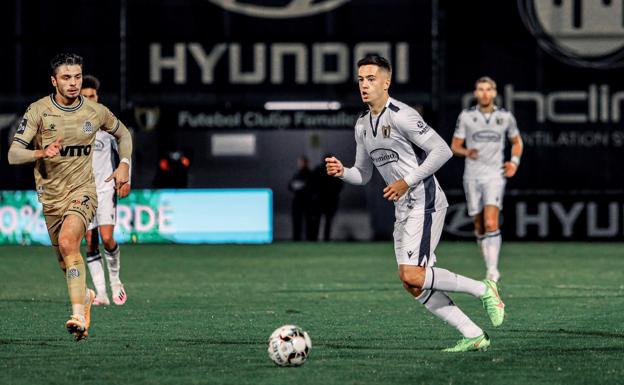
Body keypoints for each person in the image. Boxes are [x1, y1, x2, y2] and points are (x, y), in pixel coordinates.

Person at [325, 55, 505, 352]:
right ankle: (473, 333)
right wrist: (342, 172)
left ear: (387, 81)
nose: (364, 85)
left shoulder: (402, 115)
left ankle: (484, 289)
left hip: (425, 200)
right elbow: (363, 174)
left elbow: (442, 151)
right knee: (413, 284)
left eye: (371, 79)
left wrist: (406, 181)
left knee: (412, 274)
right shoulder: (361, 125)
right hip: (404, 208)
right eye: (360, 79)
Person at [8, 53, 133, 341]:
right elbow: (14, 154)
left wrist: (124, 164)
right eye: (66, 77)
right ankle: (87, 295)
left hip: (84, 192)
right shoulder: (38, 111)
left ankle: (78, 313)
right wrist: (40, 152)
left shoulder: (94, 112)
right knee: (67, 261)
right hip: (51, 197)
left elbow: (123, 134)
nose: (73, 82)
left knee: (69, 241)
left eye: (77, 76)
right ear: (54, 81)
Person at [451, 77, 523, 282]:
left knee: (491, 222)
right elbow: (454, 146)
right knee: (479, 224)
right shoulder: (466, 116)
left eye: (488, 89)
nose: (484, 93)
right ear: (476, 93)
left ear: (494, 93)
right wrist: (466, 151)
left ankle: (492, 270)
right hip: (472, 175)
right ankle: (489, 261)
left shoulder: (505, 117)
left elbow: (517, 141)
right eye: (481, 89)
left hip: (495, 175)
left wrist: (514, 162)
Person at [81, 75, 130, 306]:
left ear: (97, 97)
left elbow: (124, 144)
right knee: (90, 241)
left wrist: (125, 175)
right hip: (82, 192)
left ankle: (115, 280)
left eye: (93, 96)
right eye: (85, 96)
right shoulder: (73, 125)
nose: (90, 99)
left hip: (105, 189)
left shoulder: (106, 121)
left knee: (107, 237)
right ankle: (101, 294)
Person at [309, 155, 343, 241]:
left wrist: (315, 195)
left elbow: (312, 183)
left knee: (317, 220)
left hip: (320, 200)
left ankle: (315, 239)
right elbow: (340, 185)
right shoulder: (335, 170)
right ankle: (326, 239)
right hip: (330, 200)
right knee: (327, 221)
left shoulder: (318, 170)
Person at [288, 156, 313, 241]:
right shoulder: (296, 174)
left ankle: (308, 238)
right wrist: (298, 186)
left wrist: (300, 186)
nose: (300, 164)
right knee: (296, 221)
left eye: (301, 162)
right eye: (299, 162)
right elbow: (290, 186)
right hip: (297, 201)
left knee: (308, 221)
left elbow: (311, 187)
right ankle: (296, 238)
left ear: (306, 163)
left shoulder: (310, 174)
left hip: (307, 201)